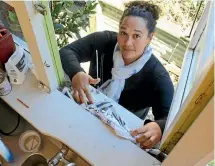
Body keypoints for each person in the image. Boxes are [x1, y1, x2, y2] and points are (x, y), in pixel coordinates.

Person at [59, 1, 174, 149]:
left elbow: (171, 118)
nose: (127, 42)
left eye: (137, 36)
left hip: (122, 137)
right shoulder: (104, 41)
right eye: (123, 33)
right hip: (87, 110)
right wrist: (77, 73)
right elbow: (67, 52)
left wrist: (158, 127)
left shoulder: (158, 76)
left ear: (150, 38)